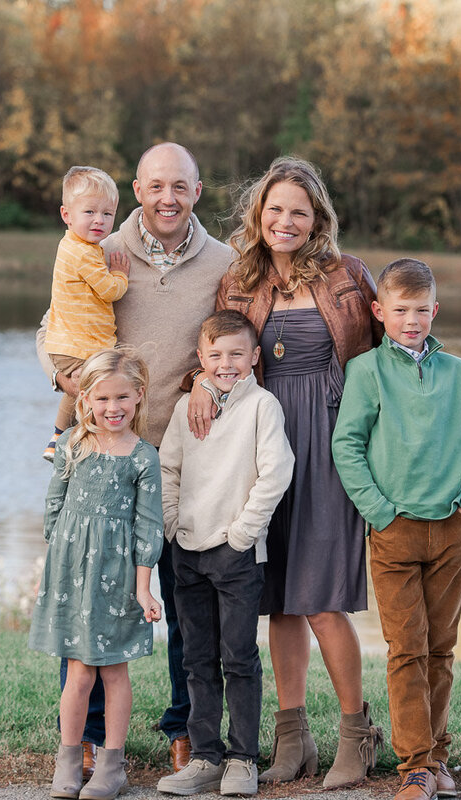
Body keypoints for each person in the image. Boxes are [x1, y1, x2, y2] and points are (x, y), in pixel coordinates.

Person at [37, 143, 234, 775]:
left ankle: (183, 727)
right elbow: (52, 328)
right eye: (155, 186)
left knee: (180, 601)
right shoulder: (101, 245)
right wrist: (65, 381)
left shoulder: (223, 263)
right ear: (137, 188)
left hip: (183, 460)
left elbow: (233, 344)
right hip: (104, 459)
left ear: (197, 191)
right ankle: (90, 738)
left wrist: (210, 382)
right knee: (94, 602)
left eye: (180, 186)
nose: (167, 198)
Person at [190, 156, 384, 789]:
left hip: (329, 446)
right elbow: (218, 353)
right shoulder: (238, 279)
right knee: (279, 603)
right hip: (264, 447)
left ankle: (356, 736)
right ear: (258, 213)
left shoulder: (348, 276)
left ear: (317, 219)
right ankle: (292, 739)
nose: (285, 220)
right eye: (275, 208)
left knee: (323, 599)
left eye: (299, 210)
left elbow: (387, 355)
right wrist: (197, 381)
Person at [331, 258, 461, 800]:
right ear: (379, 312)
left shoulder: (457, 371)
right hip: (394, 531)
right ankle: (415, 767)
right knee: (407, 648)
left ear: (434, 310)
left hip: (451, 529)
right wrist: (379, 511)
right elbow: (347, 446)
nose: (411, 321)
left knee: (441, 648)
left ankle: (439, 755)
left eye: (421, 311)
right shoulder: (367, 372)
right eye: (400, 310)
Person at [155, 310, 294, 797]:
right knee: (197, 658)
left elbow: (276, 473)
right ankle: (205, 756)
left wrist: (242, 534)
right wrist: (172, 524)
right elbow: (167, 468)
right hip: (187, 550)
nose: (226, 363)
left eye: (237, 354)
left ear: (255, 357)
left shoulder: (262, 407)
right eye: (215, 355)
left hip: (236, 555)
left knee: (238, 657)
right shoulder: (184, 409)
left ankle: (242, 758)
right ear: (201, 359)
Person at [29, 347, 165, 800]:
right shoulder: (70, 443)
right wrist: (48, 573)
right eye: (103, 399)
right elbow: (53, 509)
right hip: (70, 572)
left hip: (118, 574)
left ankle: (112, 764)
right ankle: (68, 759)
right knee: (77, 670)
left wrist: (143, 589)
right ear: (84, 398)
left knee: (113, 671)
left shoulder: (144, 457)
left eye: (122, 398)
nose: (113, 408)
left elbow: (148, 526)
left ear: (139, 396)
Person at [42, 166, 131, 461]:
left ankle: (59, 438)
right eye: (90, 212)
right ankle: (64, 438)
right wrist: (119, 274)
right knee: (88, 394)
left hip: (70, 343)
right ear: (67, 215)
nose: (99, 220)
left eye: (107, 214)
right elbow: (109, 290)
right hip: (79, 347)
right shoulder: (83, 253)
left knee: (82, 394)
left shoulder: (76, 245)